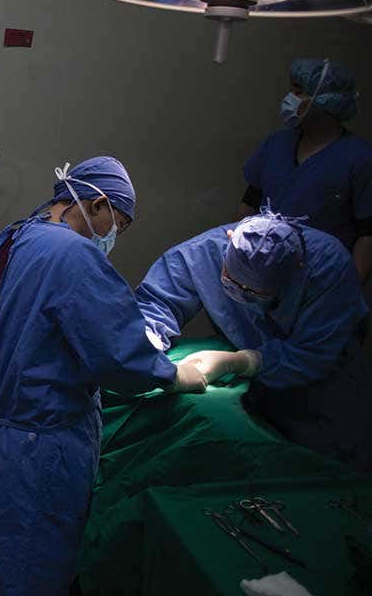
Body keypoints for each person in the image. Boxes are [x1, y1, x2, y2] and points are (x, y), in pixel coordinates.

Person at [0, 157, 204, 596]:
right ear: (99, 204)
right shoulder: (72, 255)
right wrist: (174, 374)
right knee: (30, 572)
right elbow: (122, 356)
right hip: (43, 447)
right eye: (117, 225)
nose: (113, 238)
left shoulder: (5, 244)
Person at [137, 210, 372, 472]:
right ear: (229, 243)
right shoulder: (203, 253)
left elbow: (314, 352)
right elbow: (156, 304)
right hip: (255, 391)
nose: (243, 295)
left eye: (256, 292)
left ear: (298, 270)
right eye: (233, 282)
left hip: (326, 386)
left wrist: (244, 361)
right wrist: (147, 347)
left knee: (336, 476)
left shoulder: (329, 267)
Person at [240, 58, 372, 281]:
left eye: (298, 91)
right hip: (264, 274)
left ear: (327, 99)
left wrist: (349, 291)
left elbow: (368, 234)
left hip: (322, 280)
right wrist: (239, 260)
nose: (289, 98)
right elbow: (248, 206)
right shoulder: (276, 144)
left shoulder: (359, 158)